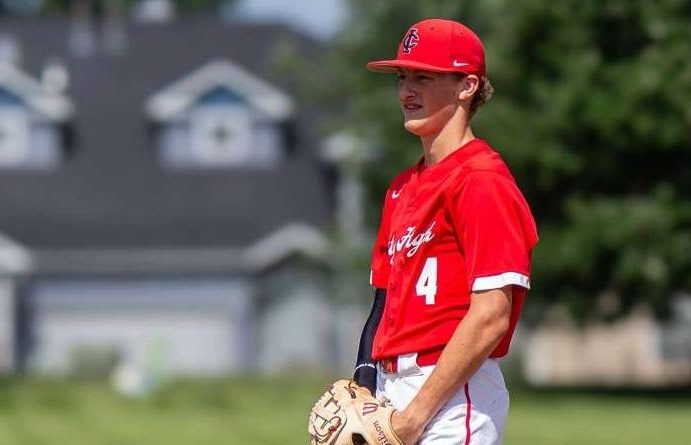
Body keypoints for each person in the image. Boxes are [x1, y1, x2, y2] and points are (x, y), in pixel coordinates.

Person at [352, 18, 539, 445]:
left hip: (455, 394)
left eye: (424, 76)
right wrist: (363, 391)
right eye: (402, 77)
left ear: (467, 86)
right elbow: (381, 303)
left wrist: (417, 414)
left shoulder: (481, 181)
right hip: (392, 386)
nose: (405, 92)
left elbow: (491, 315)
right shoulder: (401, 188)